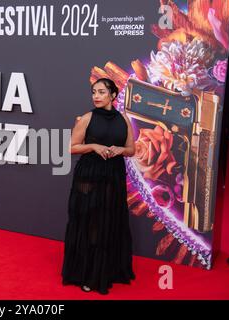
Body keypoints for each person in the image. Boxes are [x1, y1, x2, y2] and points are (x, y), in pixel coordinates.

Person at [61, 78, 136, 294]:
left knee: (108, 221)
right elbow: (72, 147)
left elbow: (131, 149)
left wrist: (121, 150)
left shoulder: (123, 119)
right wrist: (93, 146)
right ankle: (87, 273)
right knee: (90, 222)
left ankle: (107, 270)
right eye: (94, 92)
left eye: (101, 92)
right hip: (89, 175)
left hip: (113, 175)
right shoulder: (87, 118)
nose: (96, 96)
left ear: (113, 95)